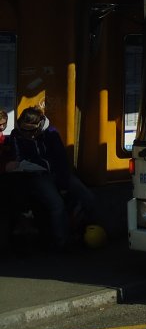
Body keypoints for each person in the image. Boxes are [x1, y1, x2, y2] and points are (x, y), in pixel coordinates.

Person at [5, 106, 97, 250]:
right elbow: (19, 158)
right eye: (24, 130)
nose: (27, 134)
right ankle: (62, 242)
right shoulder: (17, 135)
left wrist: (61, 180)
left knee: (87, 196)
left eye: (31, 131)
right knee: (57, 204)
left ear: (39, 126)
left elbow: (60, 159)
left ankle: (87, 228)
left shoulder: (51, 133)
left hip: (57, 172)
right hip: (36, 176)